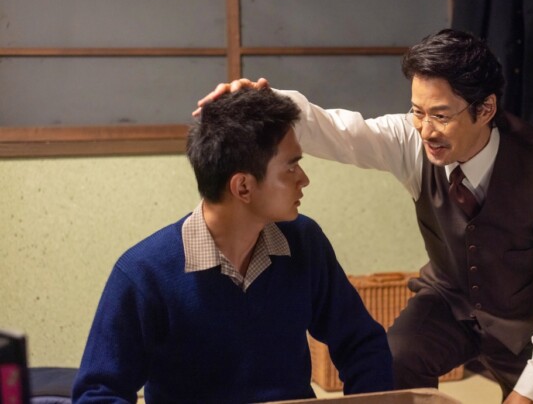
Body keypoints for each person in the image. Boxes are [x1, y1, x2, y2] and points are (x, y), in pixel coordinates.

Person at [197, 29, 533, 404]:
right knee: (392, 360)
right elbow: (338, 131)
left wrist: (529, 393)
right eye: (418, 111)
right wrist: (264, 101)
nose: (426, 130)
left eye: (441, 115)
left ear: (486, 108)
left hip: (527, 323)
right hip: (448, 302)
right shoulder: (412, 139)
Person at [73, 88, 393, 404]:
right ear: (243, 187)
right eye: (291, 166)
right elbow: (98, 393)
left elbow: (362, 345)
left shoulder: (303, 242)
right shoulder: (144, 274)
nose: (304, 178)